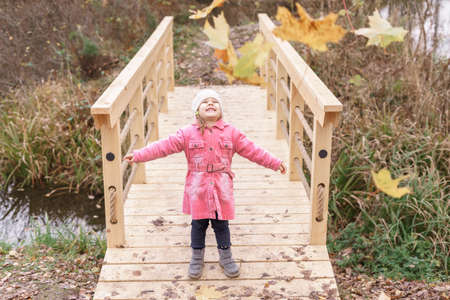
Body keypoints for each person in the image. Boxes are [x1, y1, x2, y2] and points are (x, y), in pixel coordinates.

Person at [124, 89, 286, 279]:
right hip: (197, 188)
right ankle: (196, 257)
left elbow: (253, 151)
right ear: (196, 110)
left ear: (221, 110)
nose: (210, 104)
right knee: (198, 224)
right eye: (205, 102)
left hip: (221, 188)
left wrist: (275, 162)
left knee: (221, 224)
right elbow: (163, 147)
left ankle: (226, 257)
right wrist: (138, 155)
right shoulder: (186, 133)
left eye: (214, 102)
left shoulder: (231, 133)